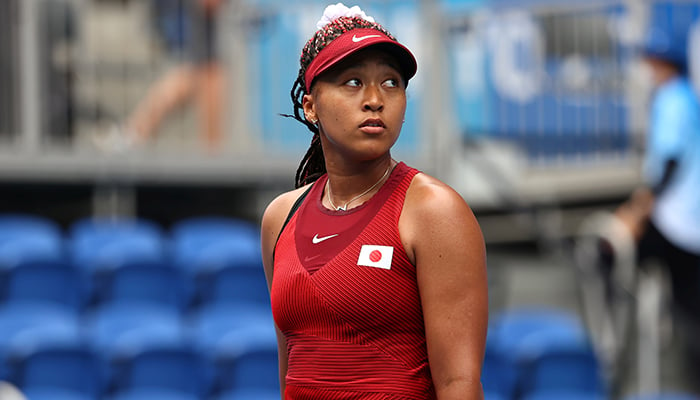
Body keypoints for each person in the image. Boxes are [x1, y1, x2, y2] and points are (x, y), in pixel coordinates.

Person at [260, 3, 488, 399]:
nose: (374, 99)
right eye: (352, 82)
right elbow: (291, 374)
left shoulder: (435, 211)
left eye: (390, 82)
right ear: (310, 106)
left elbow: (458, 385)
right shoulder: (280, 217)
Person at [615, 21, 700, 380]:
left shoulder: (671, 98)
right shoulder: (685, 96)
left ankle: (620, 352)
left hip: (679, 221)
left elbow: (669, 161)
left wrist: (637, 211)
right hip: (687, 220)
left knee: (608, 254)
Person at [95, 0, 225, 153]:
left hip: (202, 36)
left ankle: (133, 132)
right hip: (191, 30)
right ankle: (133, 132)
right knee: (202, 73)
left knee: (203, 73)